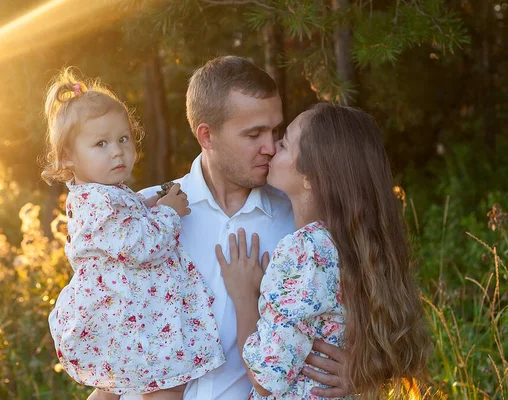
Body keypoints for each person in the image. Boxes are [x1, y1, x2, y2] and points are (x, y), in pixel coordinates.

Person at [90, 56, 350, 400]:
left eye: (275, 132)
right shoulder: (140, 218)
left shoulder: (303, 225)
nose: (270, 147)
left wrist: (360, 371)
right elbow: (114, 350)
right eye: (253, 134)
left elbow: (375, 314)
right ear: (206, 135)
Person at [217, 104, 430, 399]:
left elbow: (266, 379)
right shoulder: (353, 243)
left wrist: (244, 297)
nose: (270, 149)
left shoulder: (305, 250)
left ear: (310, 176)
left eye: (284, 143)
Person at [42, 67, 225, 399]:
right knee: (165, 384)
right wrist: (169, 212)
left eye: (122, 139)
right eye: (100, 143)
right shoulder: (98, 200)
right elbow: (142, 245)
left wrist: (151, 202)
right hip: (128, 315)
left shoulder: (100, 194)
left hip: (122, 313)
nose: (117, 151)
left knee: (113, 388)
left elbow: (127, 219)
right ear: (69, 157)